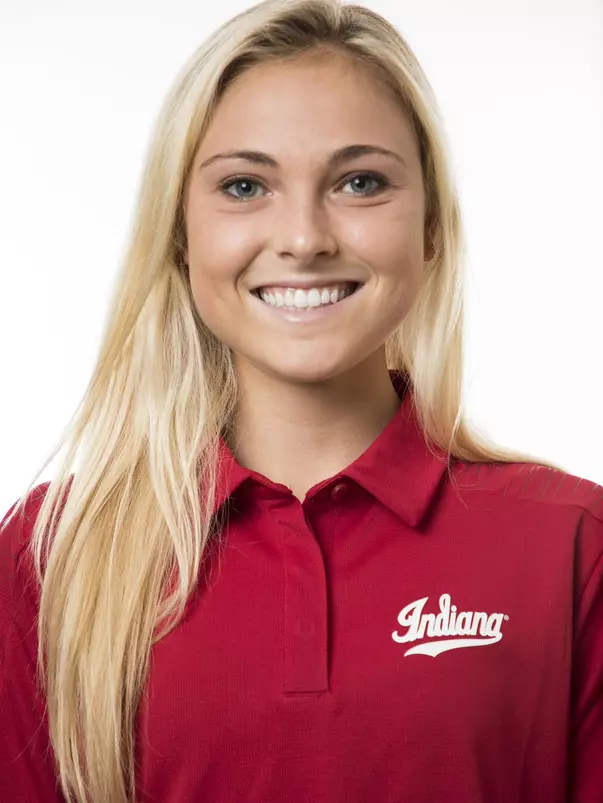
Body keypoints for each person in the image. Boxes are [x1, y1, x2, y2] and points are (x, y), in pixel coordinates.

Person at [1, 0, 601, 801]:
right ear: (180, 237)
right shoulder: (53, 556)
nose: (304, 237)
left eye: (360, 182)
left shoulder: (571, 541)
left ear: (430, 227)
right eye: (245, 185)